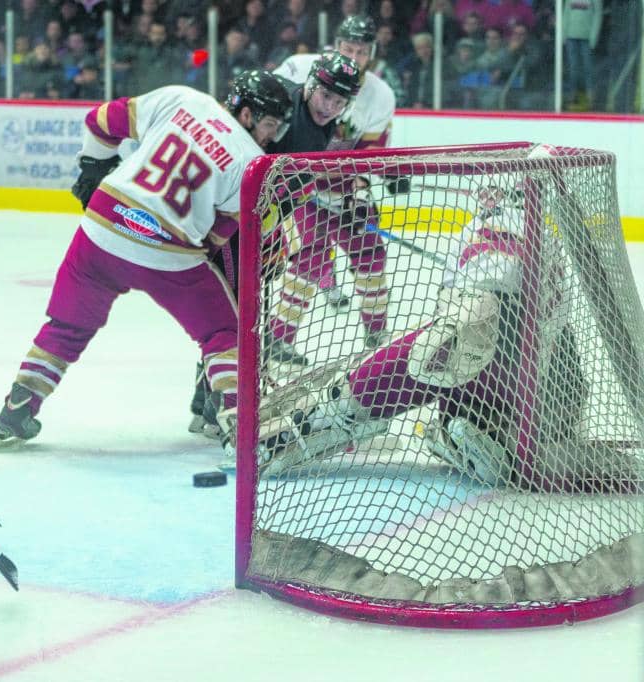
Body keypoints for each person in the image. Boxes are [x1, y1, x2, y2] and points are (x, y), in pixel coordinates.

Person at [0, 70, 292, 449]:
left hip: (103, 226)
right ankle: (236, 421)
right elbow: (219, 234)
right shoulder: (251, 160)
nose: (270, 137)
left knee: (67, 325)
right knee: (224, 332)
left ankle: (17, 409)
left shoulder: (183, 97)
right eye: (268, 125)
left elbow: (99, 122)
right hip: (169, 251)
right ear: (246, 113)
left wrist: (93, 167)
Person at [254, 181, 599, 488]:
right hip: (540, 385)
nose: (482, 196)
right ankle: (488, 432)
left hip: (483, 359)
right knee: (462, 381)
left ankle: (315, 422)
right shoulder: (549, 242)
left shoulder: (495, 228)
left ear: (507, 198)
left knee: (424, 356)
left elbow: (473, 313)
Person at [188, 53, 363, 436]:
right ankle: (221, 406)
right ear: (311, 86)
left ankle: (206, 404)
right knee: (233, 314)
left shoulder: (324, 124)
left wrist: (335, 203)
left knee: (242, 313)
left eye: (340, 102)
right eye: (326, 97)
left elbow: (293, 184)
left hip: (257, 226)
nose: (330, 108)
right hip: (232, 223)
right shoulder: (281, 104)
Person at [273, 15, 398, 348]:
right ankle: (279, 340)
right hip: (297, 186)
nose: (354, 57)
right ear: (335, 45)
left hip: (344, 189)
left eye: (361, 51)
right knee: (308, 258)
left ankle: (376, 334)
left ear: (371, 52)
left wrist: (358, 194)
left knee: (371, 254)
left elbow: (367, 156)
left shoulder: (381, 96)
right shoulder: (298, 68)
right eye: (348, 48)